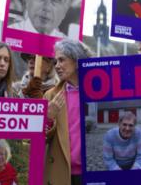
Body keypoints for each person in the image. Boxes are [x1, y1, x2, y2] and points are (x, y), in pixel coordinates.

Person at [44, 39, 93, 185]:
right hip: (61, 173)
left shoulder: (97, 92)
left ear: (77, 61)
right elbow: (39, 140)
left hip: (91, 172)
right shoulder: (50, 96)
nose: (57, 66)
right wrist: (48, 117)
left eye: (62, 60)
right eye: (55, 61)